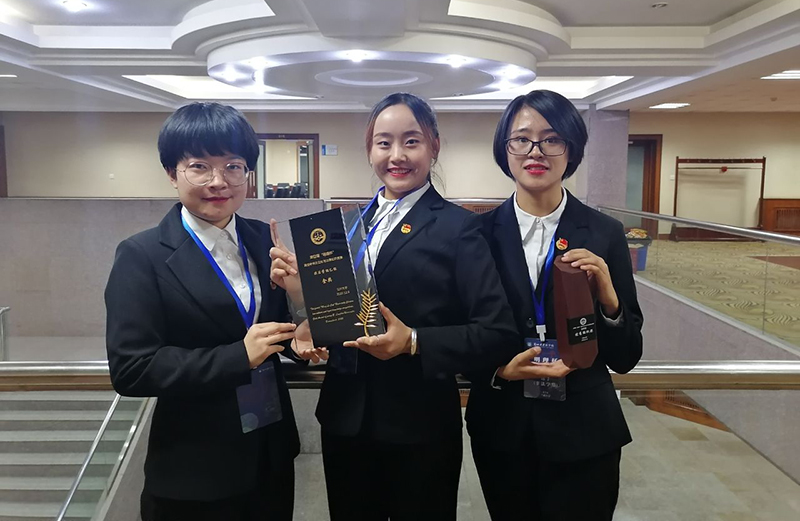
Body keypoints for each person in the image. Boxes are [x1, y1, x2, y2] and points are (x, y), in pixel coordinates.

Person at [269, 92, 518, 520]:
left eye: (411, 141)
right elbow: (340, 318)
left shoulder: (460, 227)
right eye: (383, 143)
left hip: (419, 427)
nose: (396, 155)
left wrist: (414, 341)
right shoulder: (346, 228)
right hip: (345, 420)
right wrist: (302, 302)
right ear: (370, 150)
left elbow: (497, 333)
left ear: (434, 146)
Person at [105, 102, 312, 521]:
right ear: (171, 173)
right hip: (195, 468)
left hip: (269, 453)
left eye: (234, 167)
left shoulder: (262, 237)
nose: (219, 182)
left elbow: (269, 328)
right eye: (199, 167)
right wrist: (239, 356)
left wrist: (301, 323)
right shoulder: (141, 255)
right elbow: (131, 368)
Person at [466, 90, 644, 521]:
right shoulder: (476, 235)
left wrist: (609, 298)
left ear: (571, 148)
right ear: (505, 148)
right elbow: (462, 331)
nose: (536, 151)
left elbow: (626, 357)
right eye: (521, 139)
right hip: (503, 426)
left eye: (551, 139)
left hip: (585, 428)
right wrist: (496, 371)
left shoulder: (604, 232)